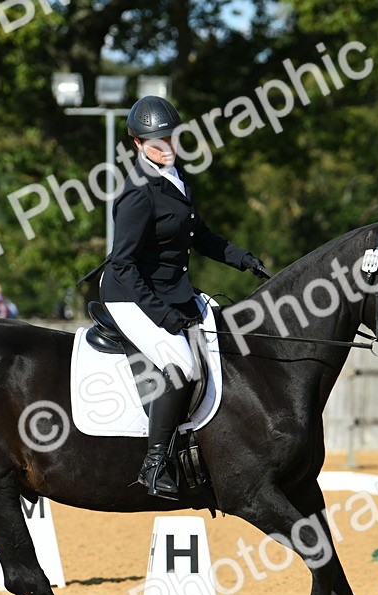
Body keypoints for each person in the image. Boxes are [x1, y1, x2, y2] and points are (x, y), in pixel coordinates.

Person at [100, 95, 271, 499]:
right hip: (130, 296)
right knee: (180, 363)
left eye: (172, 138)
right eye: (157, 142)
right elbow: (123, 265)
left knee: (219, 328)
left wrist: (243, 259)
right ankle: (155, 464)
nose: (168, 147)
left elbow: (202, 237)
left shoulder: (174, 180)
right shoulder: (138, 194)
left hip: (168, 289)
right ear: (138, 144)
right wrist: (164, 316)